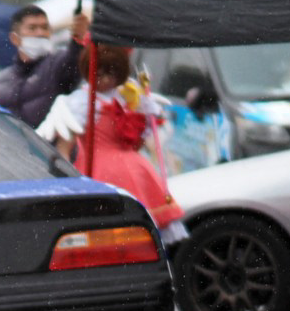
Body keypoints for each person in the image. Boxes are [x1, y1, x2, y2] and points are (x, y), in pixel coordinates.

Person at [39, 44, 185, 245]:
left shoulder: (128, 96)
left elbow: (136, 143)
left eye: (111, 74)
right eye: (99, 74)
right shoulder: (80, 102)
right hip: (98, 173)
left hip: (135, 170)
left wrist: (143, 116)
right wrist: (67, 179)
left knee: (142, 234)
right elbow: (64, 147)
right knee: (106, 235)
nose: (106, 80)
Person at [0, 4, 91, 128]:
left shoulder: (56, 65)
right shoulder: (0, 81)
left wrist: (77, 41)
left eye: (44, 27)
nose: (40, 33)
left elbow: (72, 62)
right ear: (15, 38)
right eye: (32, 28)